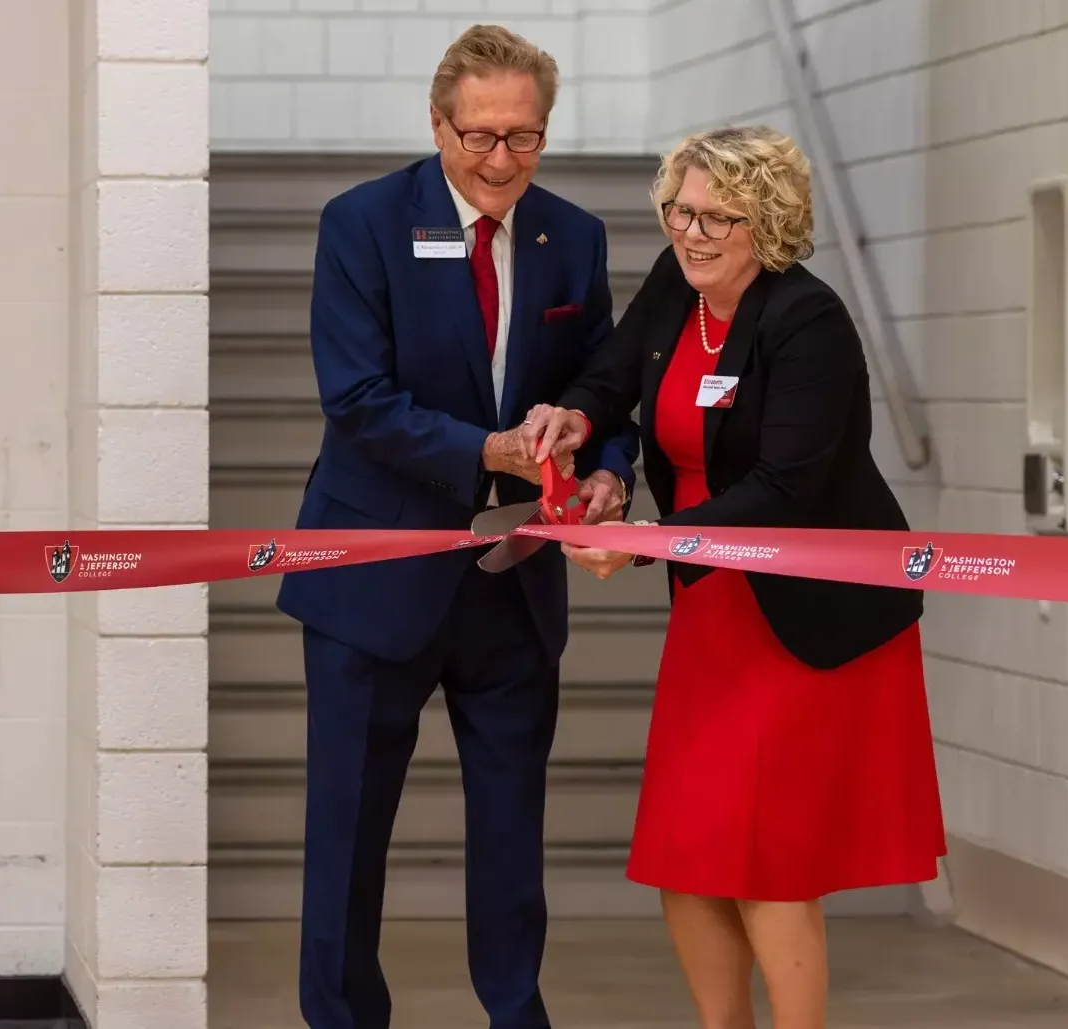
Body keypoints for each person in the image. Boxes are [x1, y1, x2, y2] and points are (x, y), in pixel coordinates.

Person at [521, 126, 946, 1029]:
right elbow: (610, 376)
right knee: (686, 849)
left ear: (771, 222)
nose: (691, 231)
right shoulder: (679, 284)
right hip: (711, 602)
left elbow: (784, 488)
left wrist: (647, 542)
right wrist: (576, 418)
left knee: (768, 858)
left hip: (803, 610)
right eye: (679, 210)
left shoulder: (807, 320)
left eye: (718, 216)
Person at [273, 23, 642, 1029]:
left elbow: (602, 387)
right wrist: (490, 452)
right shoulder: (361, 223)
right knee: (347, 836)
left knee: (512, 839)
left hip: (512, 583)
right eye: (478, 135)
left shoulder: (572, 235)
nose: (500, 160)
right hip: (372, 582)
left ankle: (515, 1015)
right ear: (436, 125)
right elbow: (355, 399)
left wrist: (607, 474)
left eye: (523, 136)